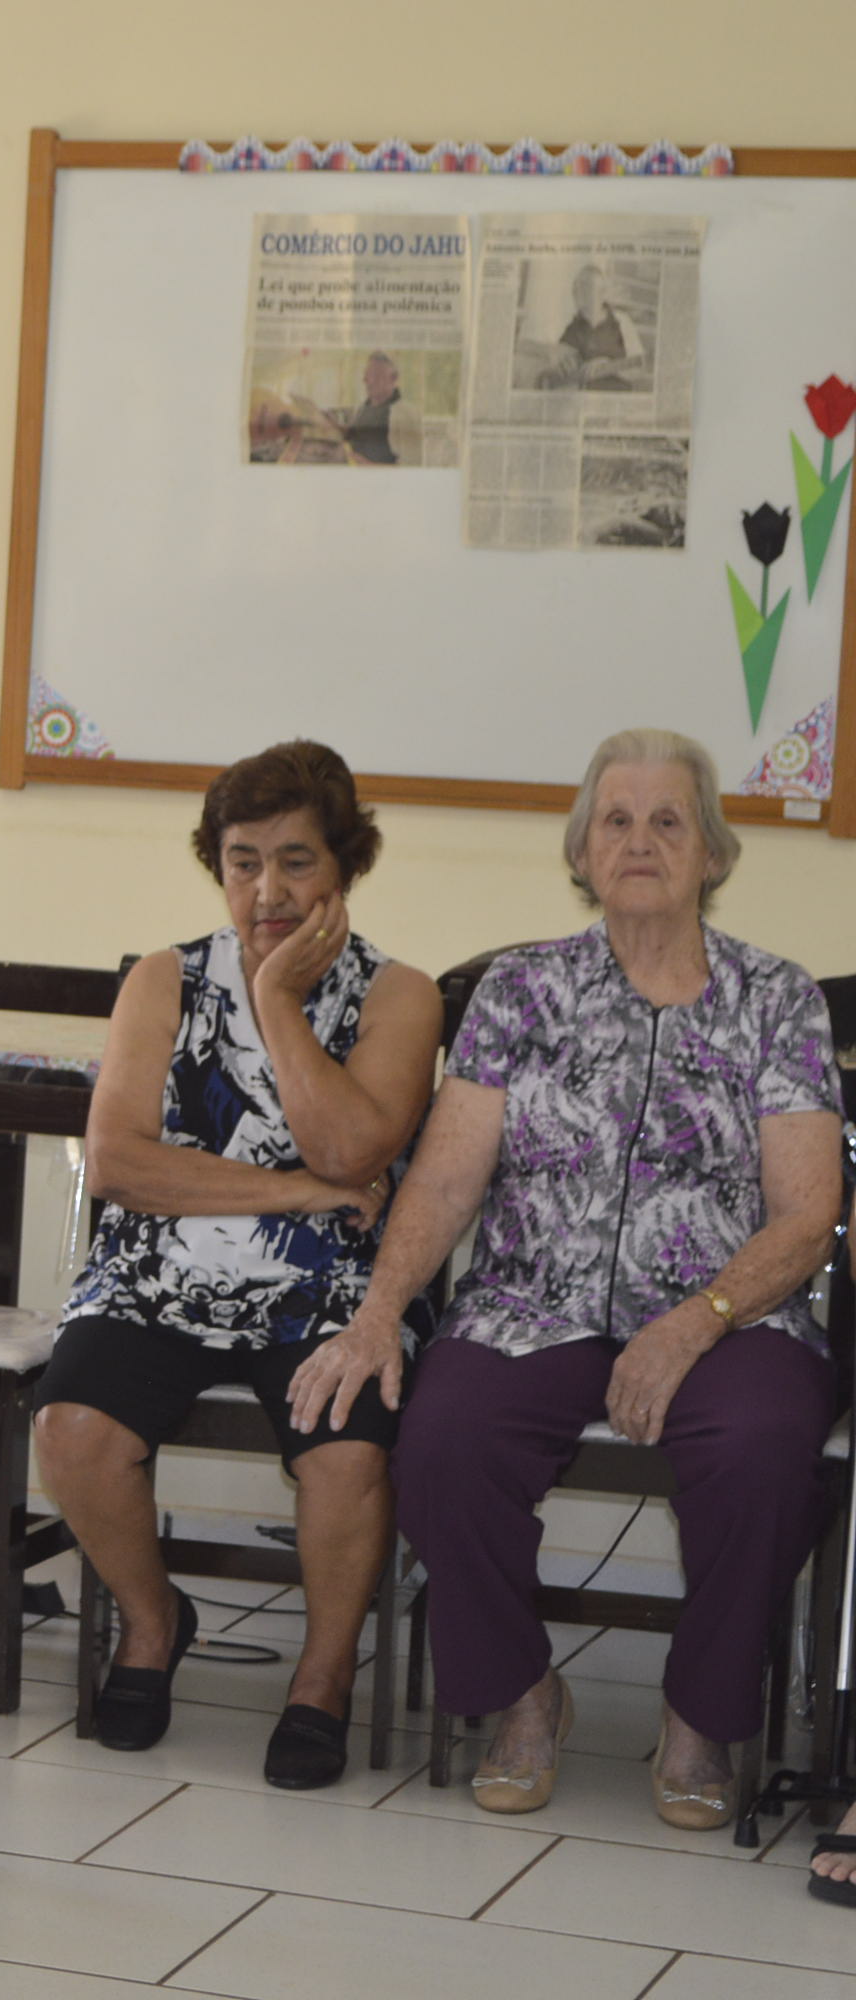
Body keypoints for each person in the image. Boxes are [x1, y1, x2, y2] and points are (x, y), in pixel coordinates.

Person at [297, 729, 842, 1831]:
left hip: (728, 1312)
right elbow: (444, 1180)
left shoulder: (777, 999)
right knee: (441, 1440)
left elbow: (805, 1212)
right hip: (530, 1301)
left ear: (711, 854)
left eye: (667, 821)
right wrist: (376, 1314)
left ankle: (700, 1713)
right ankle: (520, 1694)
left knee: (763, 1447)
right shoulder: (519, 991)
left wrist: (695, 1322)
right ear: (583, 852)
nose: (639, 841)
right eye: (615, 821)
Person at [31, 741, 441, 1790]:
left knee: (345, 1453)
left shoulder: (399, 995)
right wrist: (295, 1191)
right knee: (71, 1431)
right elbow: (119, 1164)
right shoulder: (161, 979)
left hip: (329, 1288)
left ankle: (322, 1675)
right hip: (155, 1275)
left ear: (344, 866)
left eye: (295, 861)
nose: (267, 891)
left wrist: (276, 1001)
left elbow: (351, 1147)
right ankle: (153, 1619)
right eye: (242, 861)